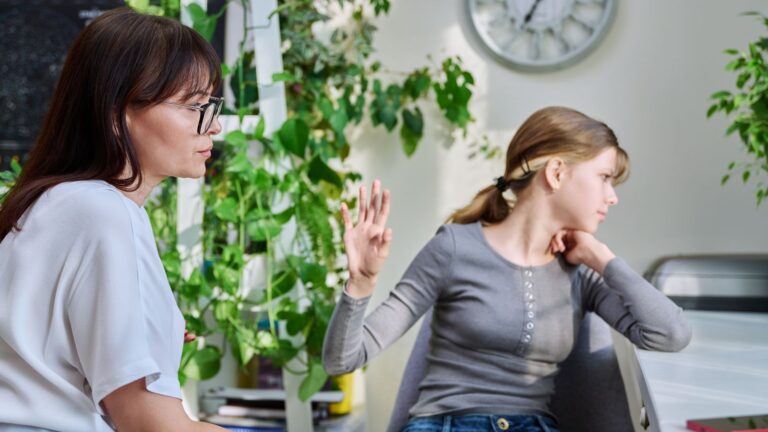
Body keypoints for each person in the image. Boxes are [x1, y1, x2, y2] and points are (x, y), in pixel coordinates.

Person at [323, 106, 693, 432]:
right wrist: (361, 282)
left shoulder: (582, 272)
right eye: (604, 177)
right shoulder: (453, 248)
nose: (612, 196)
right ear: (557, 173)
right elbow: (343, 360)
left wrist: (602, 258)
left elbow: (670, 333)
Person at [0, 8, 227, 432]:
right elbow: (152, 425)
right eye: (196, 106)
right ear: (117, 111)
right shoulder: (102, 212)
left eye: (212, 104)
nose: (214, 126)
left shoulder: (56, 203)